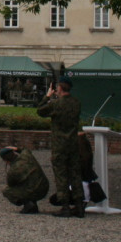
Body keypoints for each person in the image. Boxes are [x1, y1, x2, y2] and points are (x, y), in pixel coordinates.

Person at [37, 77, 85, 217]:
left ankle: (65, 206)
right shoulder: (76, 103)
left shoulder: (56, 104)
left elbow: (40, 111)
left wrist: (47, 97)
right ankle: (79, 204)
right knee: (75, 174)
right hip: (73, 143)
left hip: (60, 144)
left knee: (61, 175)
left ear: (59, 88)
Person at [0, 146, 50, 214]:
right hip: (44, 188)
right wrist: (17, 149)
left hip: (33, 191)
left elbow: (11, 184)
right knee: (30, 183)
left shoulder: (12, 171)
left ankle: (28, 204)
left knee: (7, 191)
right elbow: (25, 149)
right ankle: (33, 204)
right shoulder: (26, 156)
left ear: (5, 160)